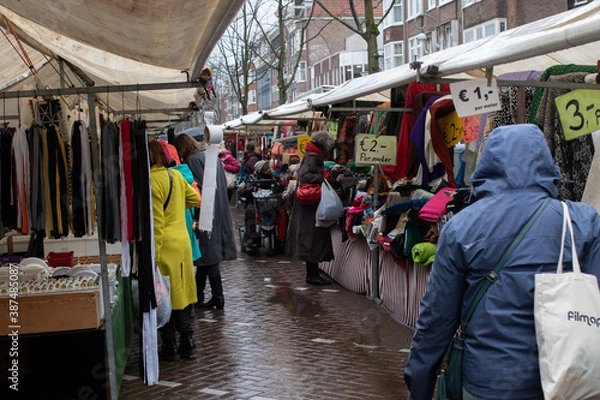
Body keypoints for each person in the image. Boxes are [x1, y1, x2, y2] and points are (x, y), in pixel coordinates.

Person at [404, 124, 600, 400]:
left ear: (487, 165)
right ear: (545, 163)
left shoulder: (462, 228)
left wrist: (420, 387)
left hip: (489, 381)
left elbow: (436, 320)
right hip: (572, 378)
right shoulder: (582, 222)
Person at [148, 139, 201, 361]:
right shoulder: (177, 176)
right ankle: (187, 340)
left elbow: (157, 225)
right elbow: (195, 198)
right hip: (183, 242)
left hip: (166, 246)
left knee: (165, 295)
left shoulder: (151, 181)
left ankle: (169, 344)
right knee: (183, 295)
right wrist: (178, 209)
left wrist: (155, 257)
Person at [174, 133, 238, 310]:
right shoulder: (209, 155)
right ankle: (200, 294)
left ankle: (217, 296)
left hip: (206, 212)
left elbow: (198, 190)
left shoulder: (193, 160)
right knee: (207, 255)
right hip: (217, 209)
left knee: (209, 255)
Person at [286, 131, 338, 285]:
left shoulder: (310, 155)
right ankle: (312, 275)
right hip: (310, 206)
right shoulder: (313, 158)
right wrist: (323, 177)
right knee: (312, 239)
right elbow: (305, 176)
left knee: (312, 239)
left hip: (308, 205)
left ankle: (313, 274)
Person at [242, 159, 284, 254]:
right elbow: (246, 191)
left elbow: (281, 188)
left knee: (282, 212)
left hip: (271, 201)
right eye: (266, 169)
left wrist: (278, 186)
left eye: (268, 168)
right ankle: (251, 239)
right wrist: (253, 188)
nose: (269, 170)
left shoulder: (274, 178)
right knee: (250, 211)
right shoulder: (252, 178)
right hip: (256, 202)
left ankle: (281, 238)